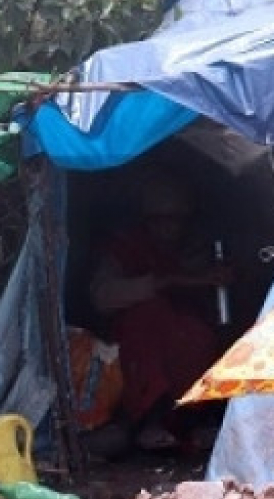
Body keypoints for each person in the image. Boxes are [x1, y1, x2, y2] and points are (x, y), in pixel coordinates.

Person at [88, 176, 231, 453]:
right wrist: (166, 282)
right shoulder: (124, 248)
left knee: (200, 336)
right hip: (131, 345)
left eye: (175, 220)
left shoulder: (194, 250)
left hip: (185, 338)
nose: (167, 227)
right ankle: (147, 419)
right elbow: (102, 297)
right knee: (150, 317)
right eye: (159, 220)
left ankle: (196, 418)